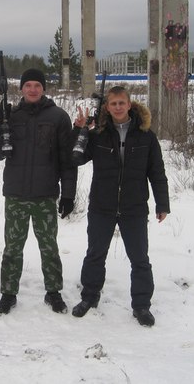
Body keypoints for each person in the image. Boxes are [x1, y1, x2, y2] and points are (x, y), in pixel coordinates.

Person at [70, 86, 169, 326]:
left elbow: (157, 172)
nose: (117, 107)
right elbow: (77, 157)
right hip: (102, 206)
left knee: (139, 258)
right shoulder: (99, 134)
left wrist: (162, 203)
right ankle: (89, 297)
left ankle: (142, 305)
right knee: (95, 254)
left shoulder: (146, 136)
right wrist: (80, 130)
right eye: (113, 104)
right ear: (107, 107)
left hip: (133, 207)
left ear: (129, 105)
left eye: (121, 103)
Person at [0, 68, 77, 315]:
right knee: (12, 248)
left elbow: (66, 159)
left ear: (44, 88)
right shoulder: (11, 116)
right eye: (27, 85)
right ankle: (8, 293)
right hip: (16, 194)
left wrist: (68, 193)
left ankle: (54, 292)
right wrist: (0, 122)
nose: (32, 89)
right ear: (21, 89)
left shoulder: (59, 117)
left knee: (49, 246)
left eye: (37, 85)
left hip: (45, 195)